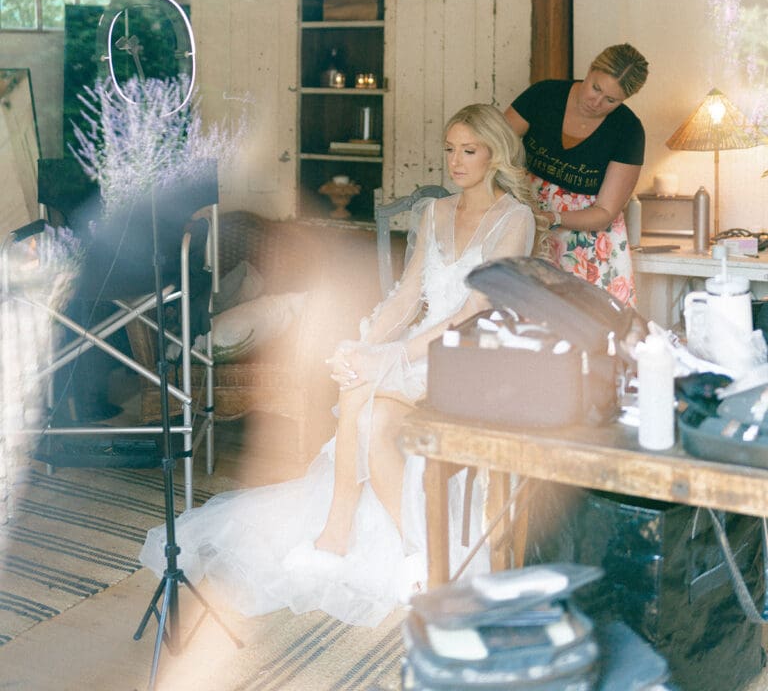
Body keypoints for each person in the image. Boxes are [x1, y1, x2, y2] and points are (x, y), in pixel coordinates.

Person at [139, 103, 548, 627]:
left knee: (366, 381)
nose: (455, 161)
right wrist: (365, 342)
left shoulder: (515, 218)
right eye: (449, 149)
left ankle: (337, 533)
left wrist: (393, 353)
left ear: (495, 154)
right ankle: (414, 554)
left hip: (475, 358)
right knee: (364, 394)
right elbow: (406, 296)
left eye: (468, 150)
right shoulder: (436, 212)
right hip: (422, 350)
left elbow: (474, 309)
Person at [504, 43, 649, 306]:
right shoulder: (544, 95)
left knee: (584, 328)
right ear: (591, 68)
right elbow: (493, 147)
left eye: (611, 100)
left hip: (587, 245)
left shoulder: (628, 131)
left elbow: (605, 212)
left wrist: (552, 218)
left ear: (624, 100)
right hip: (526, 224)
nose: (596, 102)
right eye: (596, 87)